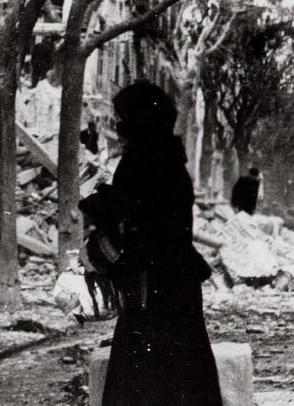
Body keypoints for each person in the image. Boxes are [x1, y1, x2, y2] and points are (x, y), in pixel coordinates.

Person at [93, 81, 222, 406]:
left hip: (149, 287)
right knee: (183, 376)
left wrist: (100, 210)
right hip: (177, 285)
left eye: (123, 118)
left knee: (142, 380)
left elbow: (134, 225)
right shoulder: (174, 164)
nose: (118, 126)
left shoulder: (137, 164)